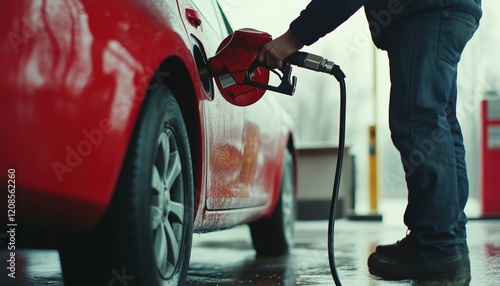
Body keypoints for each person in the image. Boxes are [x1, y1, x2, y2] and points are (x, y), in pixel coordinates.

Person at [258, 0, 481, 283]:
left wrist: (293, 38)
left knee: (419, 119)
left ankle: (437, 250)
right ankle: (449, 248)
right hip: (448, 11)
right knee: (440, 123)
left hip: (424, 11)